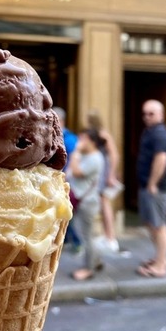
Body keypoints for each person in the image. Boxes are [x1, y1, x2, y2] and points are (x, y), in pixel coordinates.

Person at [136, 100, 166, 278]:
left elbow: (162, 159)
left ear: (162, 114)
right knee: (152, 223)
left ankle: (161, 266)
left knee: (159, 226)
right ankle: (161, 258)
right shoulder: (150, 132)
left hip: (157, 188)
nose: (147, 117)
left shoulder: (160, 134)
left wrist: (152, 183)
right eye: (145, 114)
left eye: (151, 113)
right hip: (148, 186)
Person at [68, 129, 105, 281]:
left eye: (83, 138)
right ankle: (95, 261)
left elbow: (76, 172)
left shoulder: (95, 158)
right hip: (82, 199)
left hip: (87, 202)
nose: (80, 141)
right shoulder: (87, 155)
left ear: (92, 142)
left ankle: (88, 269)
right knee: (85, 233)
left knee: (86, 236)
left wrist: (75, 152)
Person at [85, 109, 121, 253]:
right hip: (99, 170)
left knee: (105, 202)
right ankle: (107, 236)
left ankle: (111, 238)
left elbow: (114, 155)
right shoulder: (95, 134)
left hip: (103, 171)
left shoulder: (103, 134)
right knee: (101, 203)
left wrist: (111, 175)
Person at [53, 106, 82, 253]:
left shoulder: (70, 139)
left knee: (68, 215)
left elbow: (75, 161)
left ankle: (76, 242)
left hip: (66, 183)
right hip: (53, 185)